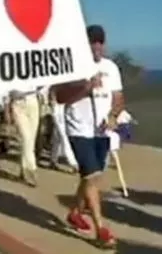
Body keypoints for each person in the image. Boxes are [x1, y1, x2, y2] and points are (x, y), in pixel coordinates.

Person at [53, 24, 123, 249]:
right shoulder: (71, 67)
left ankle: (75, 212)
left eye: (100, 42)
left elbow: (118, 97)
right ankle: (101, 228)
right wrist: (85, 88)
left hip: (101, 130)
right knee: (92, 177)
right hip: (79, 129)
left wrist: (113, 115)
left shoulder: (110, 67)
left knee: (91, 176)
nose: (97, 47)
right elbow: (60, 96)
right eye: (93, 42)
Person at [9, 86, 41, 187]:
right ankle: (32, 170)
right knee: (26, 138)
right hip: (18, 102)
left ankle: (23, 171)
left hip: (32, 99)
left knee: (31, 139)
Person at [49, 85, 78, 173]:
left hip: (65, 106)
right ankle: (73, 162)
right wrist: (52, 99)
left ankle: (53, 160)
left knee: (57, 135)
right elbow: (52, 89)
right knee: (63, 135)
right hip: (57, 107)